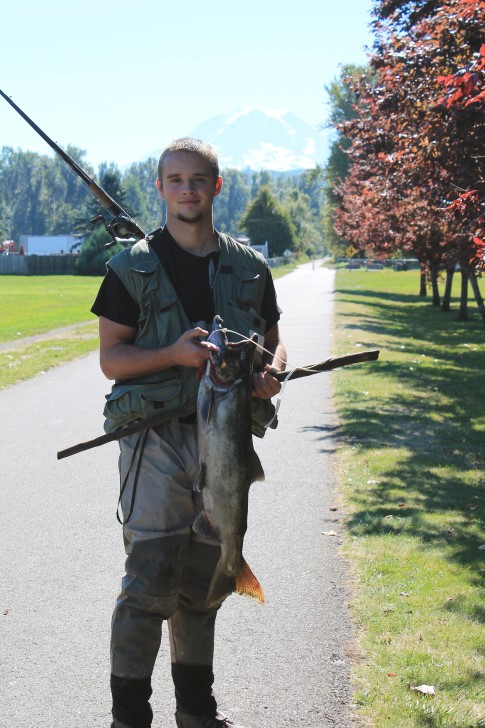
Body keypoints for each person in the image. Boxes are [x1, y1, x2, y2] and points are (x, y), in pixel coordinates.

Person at [91, 137, 287, 728]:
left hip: (226, 440)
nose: (187, 189)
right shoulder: (130, 268)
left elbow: (275, 340)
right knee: (150, 577)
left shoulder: (251, 268)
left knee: (204, 581)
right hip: (154, 440)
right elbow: (112, 360)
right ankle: (130, 717)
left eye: (198, 179)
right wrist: (173, 355)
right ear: (160, 188)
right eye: (174, 179)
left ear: (216, 187)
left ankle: (197, 713)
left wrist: (273, 373)